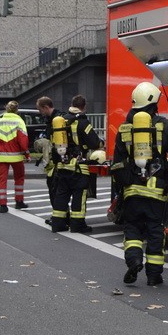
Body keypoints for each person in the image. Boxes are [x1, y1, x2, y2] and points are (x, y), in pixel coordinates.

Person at [110, 81, 168, 287]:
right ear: (154, 103)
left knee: (133, 230)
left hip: (131, 192)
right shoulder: (164, 126)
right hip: (157, 193)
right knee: (156, 231)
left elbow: (117, 163)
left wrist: (123, 186)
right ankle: (154, 275)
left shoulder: (125, 129)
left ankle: (134, 260)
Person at [48, 94, 104, 233]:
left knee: (62, 195)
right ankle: (77, 225)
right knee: (79, 195)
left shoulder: (61, 120)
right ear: (84, 107)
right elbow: (94, 143)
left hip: (61, 165)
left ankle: (58, 224)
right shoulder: (83, 122)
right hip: (78, 167)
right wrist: (101, 143)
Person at [0, 101, 30, 213]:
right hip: (16, 156)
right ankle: (19, 202)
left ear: (6, 109)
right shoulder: (19, 122)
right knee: (19, 179)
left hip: (1, 156)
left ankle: (3, 206)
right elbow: (23, 141)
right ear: (17, 110)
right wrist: (26, 153)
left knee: (2, 180)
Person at [35, 96, 63, 208]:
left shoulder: (57, 120)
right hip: (53, 163)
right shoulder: (51, 120)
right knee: (53, 189)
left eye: (40, 110)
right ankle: (58, 216)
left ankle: (59, 217)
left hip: (57, 162)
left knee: (55, 190)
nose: (40, 113)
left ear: (46, 107)